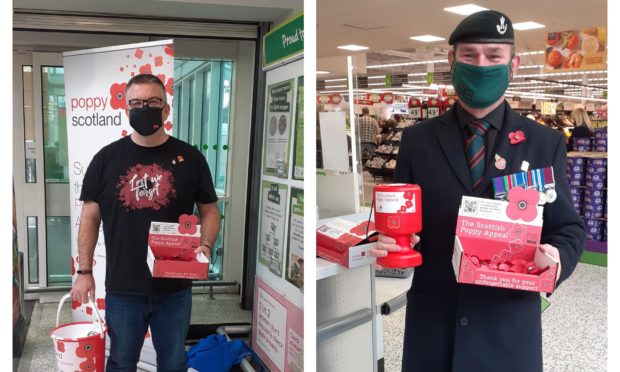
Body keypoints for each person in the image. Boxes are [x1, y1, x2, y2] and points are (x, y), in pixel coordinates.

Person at [370, 10, 585, 372]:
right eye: (469, 55)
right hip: (434, 326)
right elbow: (398, 220)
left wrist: (558, 258)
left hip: (507, 327)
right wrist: (386, 239)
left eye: (493, 56)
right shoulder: (417, 140)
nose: (481, 65)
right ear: (451, 61)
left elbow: (568, 227)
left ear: (513, 65)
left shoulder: (543, 143)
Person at [71, 74, 220, 371]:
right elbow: (89, 217)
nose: (144, 108)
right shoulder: (106, 159)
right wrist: (84, 271)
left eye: (153, 102)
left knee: (173, 363)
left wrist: (205, 244)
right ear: (127, 110)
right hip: (124, 288)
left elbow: (210, 209)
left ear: (166, 109)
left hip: (175, 288)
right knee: (121, 362)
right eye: (137, 103)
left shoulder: (190, 159)